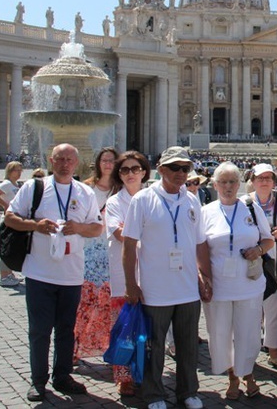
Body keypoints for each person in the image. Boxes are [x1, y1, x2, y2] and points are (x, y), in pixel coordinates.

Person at [5, 143, 102, 402]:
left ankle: (63, 376)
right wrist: (35, 225)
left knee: (66, 329)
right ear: (51, 160)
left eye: (70, 159)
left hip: (71, 274)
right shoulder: (34, 188)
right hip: (39, 273)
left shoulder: (85, 192)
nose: (65, 163)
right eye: (60, 158)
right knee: (39, 330)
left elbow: (97, 228)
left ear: (77, 163)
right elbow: (9, 217)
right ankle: (38, 381)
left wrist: (79, 227)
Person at [121, 146, 210, 409]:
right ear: (161, 170)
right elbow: (128, 245)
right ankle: (154, 394)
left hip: (187, 287)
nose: (181, 173)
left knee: (188, 345)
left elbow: (201, 243)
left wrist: (205, 276)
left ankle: (188, 391)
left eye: (186, 168)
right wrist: (130, 284)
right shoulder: (143, 200)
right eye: (175, 168)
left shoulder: (192, 200)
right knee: (154, 345)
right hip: (154, 287)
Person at [202, 162, 273, 400]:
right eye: (223, 182)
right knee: (220, 332)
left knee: (249, 332)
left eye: (233, 181)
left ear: (240, 184)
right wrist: (203, 278)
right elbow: (199, 247)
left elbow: (268, 240)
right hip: (219, 284)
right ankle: (232, 375)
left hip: (248, 282)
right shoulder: (206, 212)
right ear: (214, 185)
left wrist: (258, 250)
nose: (228, 186)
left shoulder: (251, 209)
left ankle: (248, 372)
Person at [104, 150, 150, 396]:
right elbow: (120, 234)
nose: (130, 174)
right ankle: (124, 377)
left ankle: (146, 370)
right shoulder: (114, 202)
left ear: (144, 172)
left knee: (148, 327)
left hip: (152, 272)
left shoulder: (153, 197)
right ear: (119, 175)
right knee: (124, 327)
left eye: (135, 169)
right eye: (125, 170)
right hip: (124, 275)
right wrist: (148, 234)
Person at [241, 163, 277, 372]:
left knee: (274, 308)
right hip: (251, 259)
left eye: (268, 177)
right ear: (252, 180)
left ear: (274, 181)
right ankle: (247, 354)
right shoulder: (243, 203)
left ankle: (274, 352)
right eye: (260, 177)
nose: (264, 181)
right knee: (248, 310)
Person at [74, 148, 118, 364]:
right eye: (104, 160)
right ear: (98, 163)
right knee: (85, 301)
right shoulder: (86, 188)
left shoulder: (121, 189)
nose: (108, 164)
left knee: (107, 303)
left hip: (112, 251)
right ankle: (75, 345)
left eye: (112, 161)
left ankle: (108, 346)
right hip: (90, 249)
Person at [0, 161, 24, 287]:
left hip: (14, 217)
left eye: (20, 170)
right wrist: (5, 205)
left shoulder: (15, 184)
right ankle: (4, 276)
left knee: (11, 246)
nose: (19, 173)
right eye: (16, 170)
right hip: (7, 218)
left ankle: (9, 273)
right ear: (10, 171)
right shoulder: (7, 184)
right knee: (7, 245)